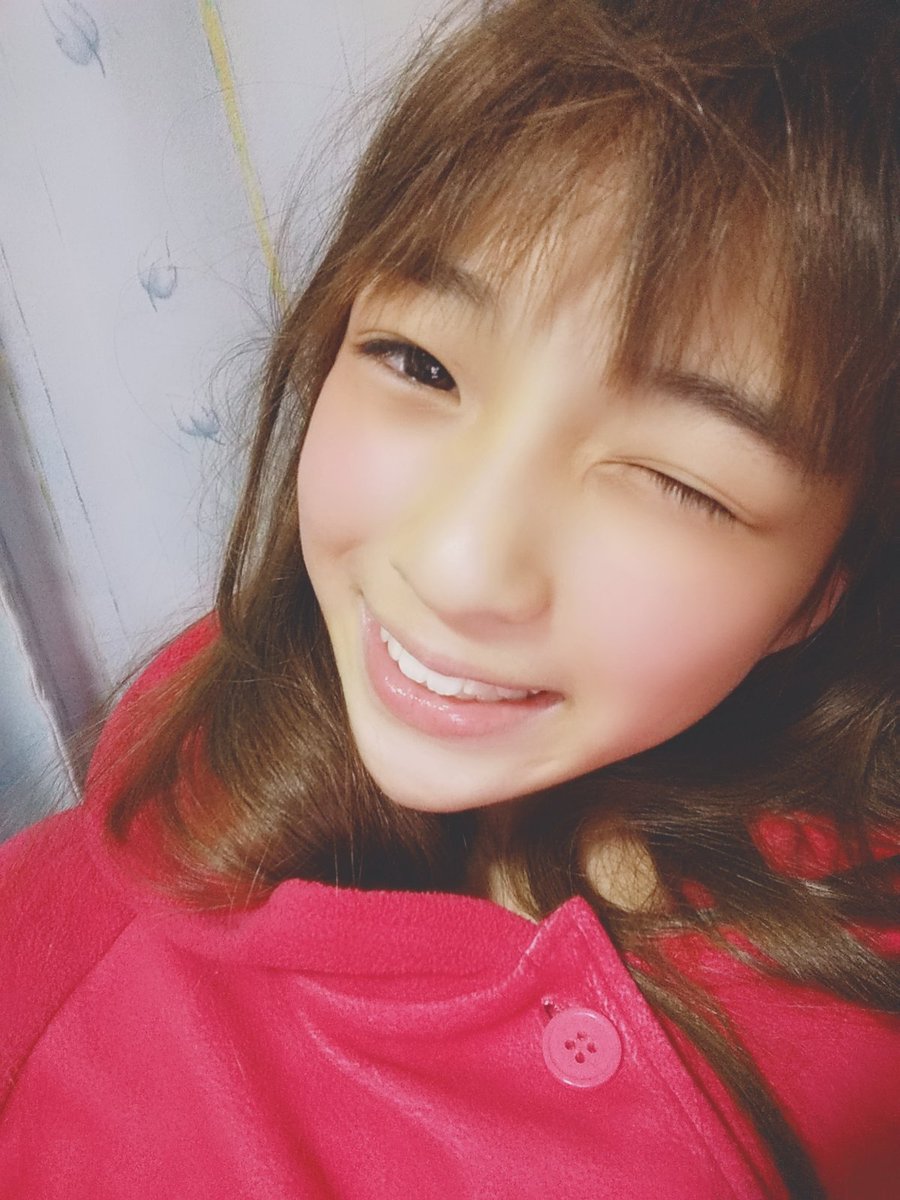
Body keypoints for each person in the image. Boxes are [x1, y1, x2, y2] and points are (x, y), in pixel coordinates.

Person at [1, 1, 897, 1196]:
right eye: (418, 364)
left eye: (679, 483)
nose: (459, 567)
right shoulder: (48, 974)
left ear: (817, 593)